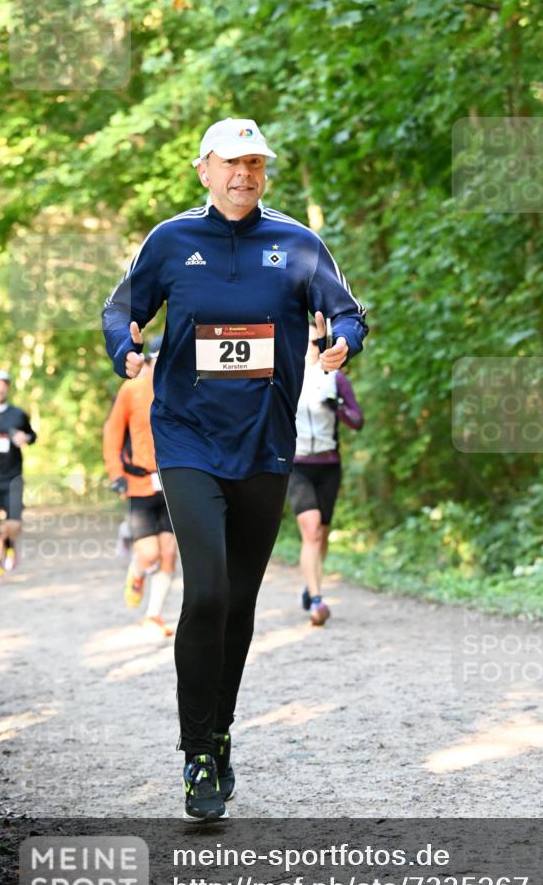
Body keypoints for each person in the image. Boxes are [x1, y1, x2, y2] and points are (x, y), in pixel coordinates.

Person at [102, 117, 368, 821]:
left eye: (254, 163)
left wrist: (341, 341)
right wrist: (122, 349)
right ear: (204, 169)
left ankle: (218, 737)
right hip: (187, 439)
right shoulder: (169, 241)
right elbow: (120, 310)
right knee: (209, 590)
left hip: (264, 443)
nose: (243, 174)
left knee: (242, 605)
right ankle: (195, 753)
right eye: (231, 162)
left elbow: (347, 314)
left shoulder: (297, 244)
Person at [289, 322, 364, 625]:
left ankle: (311, 584)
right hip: (296, 465)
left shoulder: (336, 380)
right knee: (310, 528)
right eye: (308, 341)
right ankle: (317, 600)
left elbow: (358, 421)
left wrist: (339, 408)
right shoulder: (288, 377)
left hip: (329, 465)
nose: (313, 346)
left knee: (322, 535)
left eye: (319, 341)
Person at [103, 335, 177, 638]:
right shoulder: (132, 390)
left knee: (169, 553)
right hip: (139, 482)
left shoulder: (182, 391)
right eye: (159, 360)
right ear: (149, 360)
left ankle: (154, 615)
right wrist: (114, 472)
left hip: (174, 483)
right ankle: (136, 571)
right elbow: (112, 432)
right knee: (148, 554)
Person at [0, 369, 37, 585]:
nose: (0, 386)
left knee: (14, 526)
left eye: (4, 383)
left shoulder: (17, 414)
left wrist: (26, 437)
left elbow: (32, 435)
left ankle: (9, 545)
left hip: (13, 477)